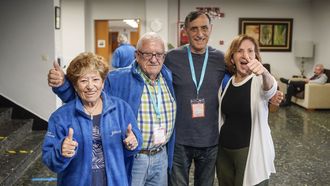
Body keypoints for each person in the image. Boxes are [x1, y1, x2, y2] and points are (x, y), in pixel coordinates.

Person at [48, 32, 176, 186]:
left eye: (159, 54)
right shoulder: (117, 78)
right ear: (137, 55)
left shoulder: (167, 76)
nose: (154, 59)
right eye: (148, 54)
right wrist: (62, 85)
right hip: (134, 158)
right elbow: (85, 95)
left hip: (160, 154)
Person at [42, 52, 142, 186]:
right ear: (75, 86)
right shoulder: (61, 117)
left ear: (103, 82)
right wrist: (61, 151)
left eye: (95, 79)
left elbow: (136, 142)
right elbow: (49, 160)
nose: (90, 86)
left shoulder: (121, 109)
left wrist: (133, 143)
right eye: (83, 81)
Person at [165, 11, 225, 186]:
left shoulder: (221, 59)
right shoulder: (171, 57)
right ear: (186, 31)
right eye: (194, 29)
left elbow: (243, 79)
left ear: (211, 29)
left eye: (204, 28)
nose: (200, 34)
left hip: (210, 140)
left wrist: (272, 91)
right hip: (179, 140)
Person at [216, 34, 277, 186]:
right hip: (223, 153)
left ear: (255, 56)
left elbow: (270, 88)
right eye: (240, 50)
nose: (245, 55)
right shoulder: (228, 82)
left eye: (250, 51)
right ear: (232, 57)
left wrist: (264, 72)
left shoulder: (259, 80)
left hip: (249, 154)